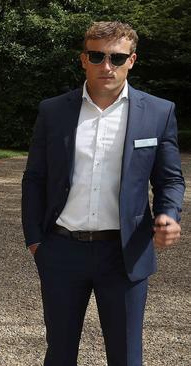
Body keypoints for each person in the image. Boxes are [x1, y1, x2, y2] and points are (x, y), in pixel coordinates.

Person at [22, 21, 185, 365]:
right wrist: (36, 240)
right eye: (97, 56)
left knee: (126, 356)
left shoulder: (157, 112)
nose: (106, 66)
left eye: (116, 57)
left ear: (132, 60)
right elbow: (35, 177)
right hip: (62, 250)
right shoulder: (53, 111)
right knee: (60, 353)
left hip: (124, 253)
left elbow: (170, 178)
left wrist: (169, 213)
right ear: (83, 59)